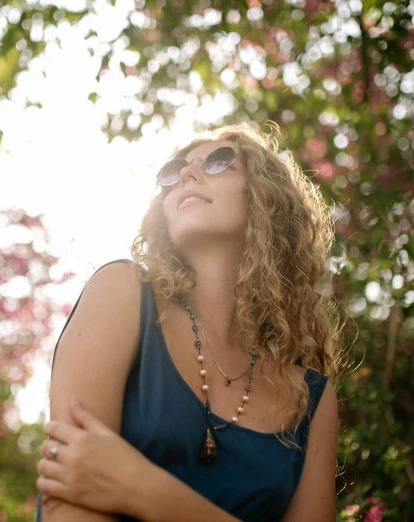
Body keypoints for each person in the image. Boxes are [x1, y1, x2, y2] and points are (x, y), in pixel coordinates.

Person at [34, 123, 344, 521]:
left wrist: (143, 487)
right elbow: (67, 501)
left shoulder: (312, 399)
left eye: (218, 162)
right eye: (174, 171)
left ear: (267, 201)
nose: (186, 174)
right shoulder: (122, 293)